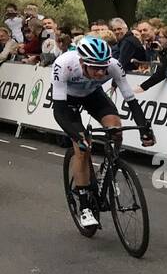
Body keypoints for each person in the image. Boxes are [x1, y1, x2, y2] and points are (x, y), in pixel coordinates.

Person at [52, 37, 155, 229]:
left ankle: (108, 172)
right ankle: (84, 206)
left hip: (93, 95)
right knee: (82, 148)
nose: (101, 72)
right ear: (82, 62)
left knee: (116, 129)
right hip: (67, 101)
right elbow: (59, 111)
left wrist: (144, 128)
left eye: (103, 68)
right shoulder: (63, 64)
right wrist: (77, 135)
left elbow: (130, 99)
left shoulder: (114, 65)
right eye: (94, 68)